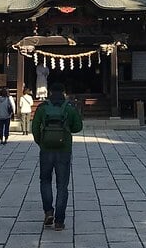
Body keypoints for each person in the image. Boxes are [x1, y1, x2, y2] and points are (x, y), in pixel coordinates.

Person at [32, 82, 83, 232]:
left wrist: (41, 142)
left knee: (45, 180)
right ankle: (59, 221)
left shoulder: (42, 108)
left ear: (50, 92)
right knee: (62, 185)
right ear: (63, 93)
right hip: (64, 150)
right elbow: (78, 127)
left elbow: (34, 128)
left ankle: (48, 211)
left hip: (46, 150)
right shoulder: (69, 107)